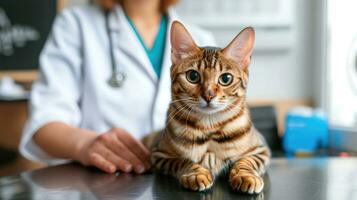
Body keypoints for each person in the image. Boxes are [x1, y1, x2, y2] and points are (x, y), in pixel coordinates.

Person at [19, 0, 215, 174]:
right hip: (100, 183)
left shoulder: (201, 40)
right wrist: (85, 145)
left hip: (176, 180)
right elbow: (44, 124)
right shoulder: (76, 25)